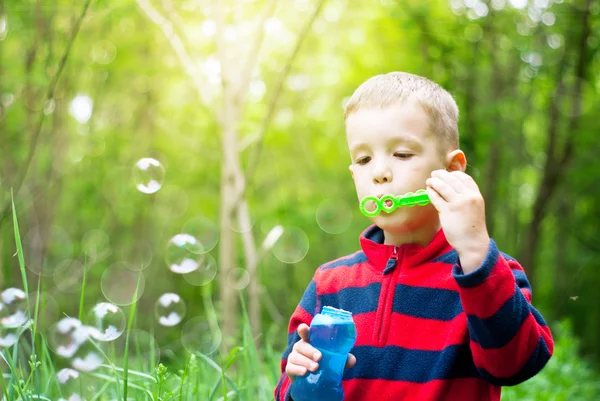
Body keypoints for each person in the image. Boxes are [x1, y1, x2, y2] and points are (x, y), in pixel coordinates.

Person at [273, 72, 554, 401]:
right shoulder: (331, 283)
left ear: (451, 170)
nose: (379, 172)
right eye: (364, 159)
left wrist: (477, 252)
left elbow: (515, 365)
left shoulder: (489, 273)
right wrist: (301, 380)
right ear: (354, 174)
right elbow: (286, 389)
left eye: (402, 154)